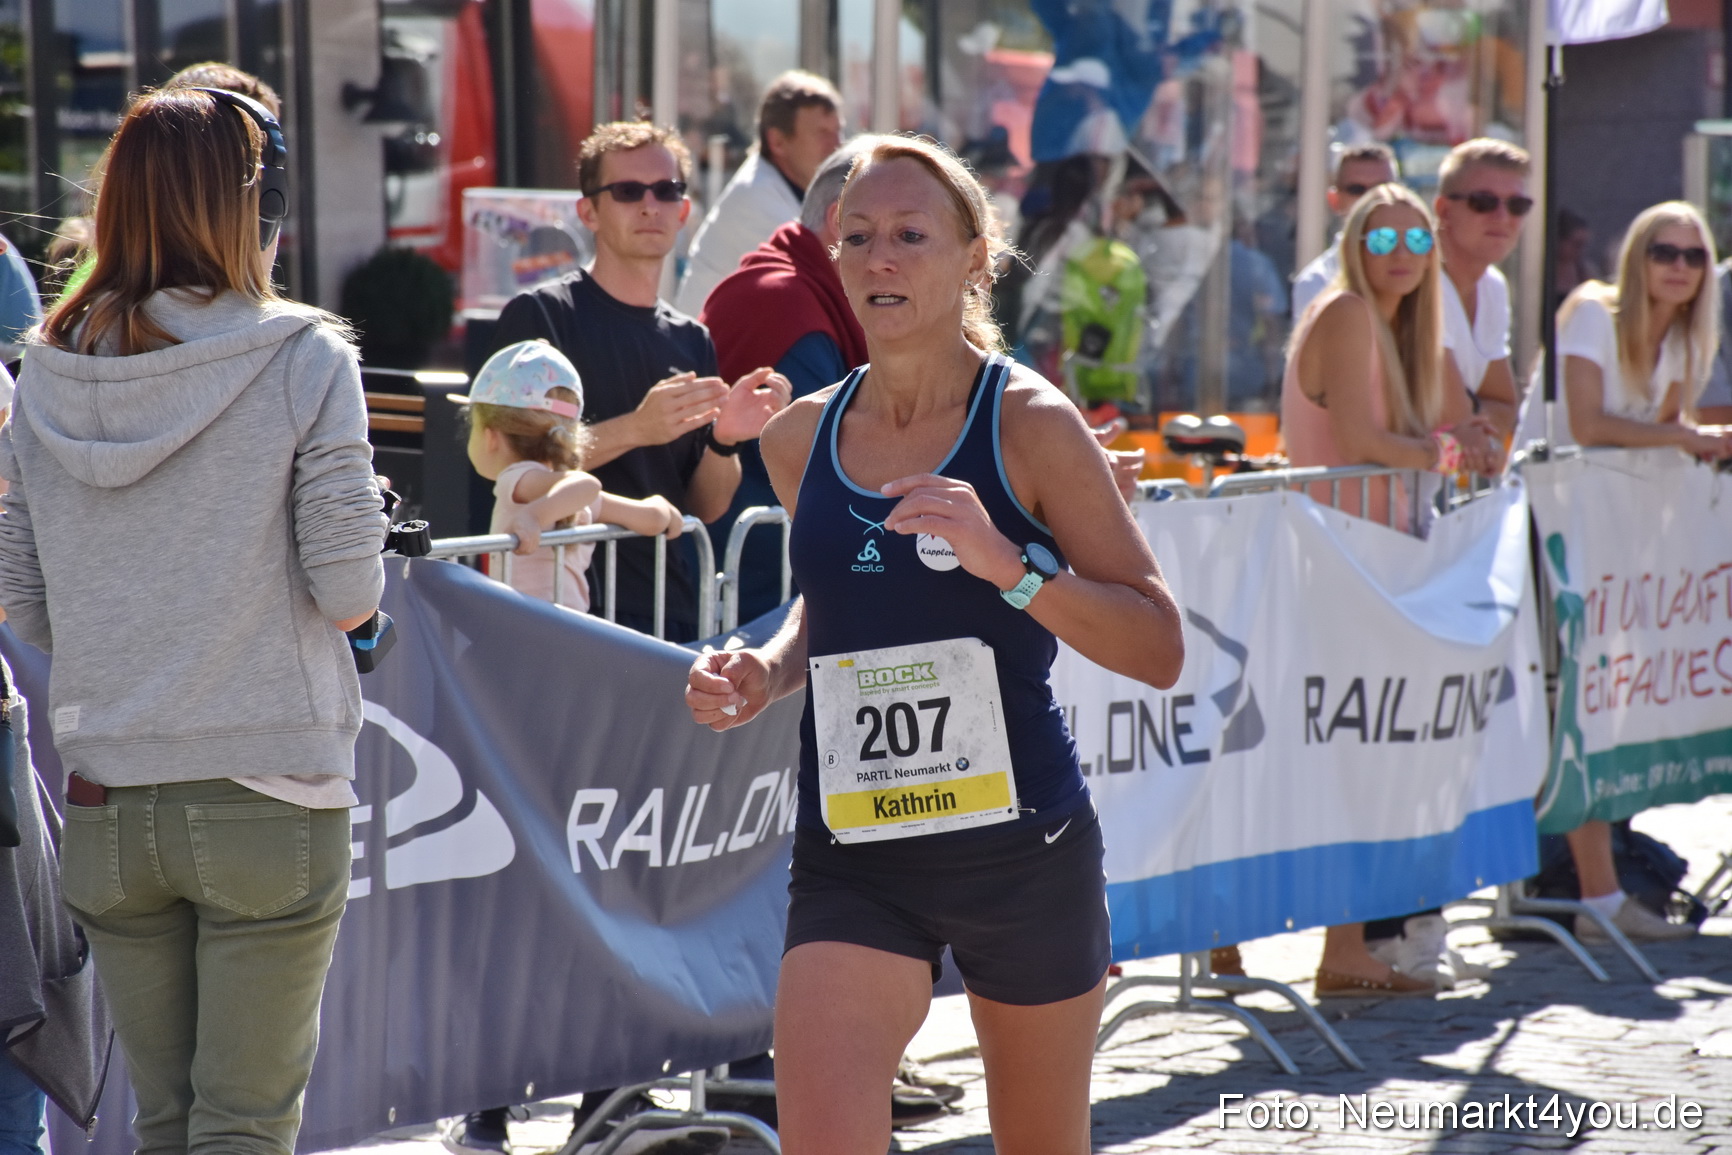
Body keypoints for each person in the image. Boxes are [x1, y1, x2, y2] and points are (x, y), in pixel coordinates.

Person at [684, 136, 1185, 1154]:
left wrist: (1012, 566)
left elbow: (1156, 643)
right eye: (858, 237)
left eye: (910, 236)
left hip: (1020, 849)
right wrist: (765, 671)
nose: (880, 259)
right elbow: (835, 606)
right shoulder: (798, 439)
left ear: (974, 259)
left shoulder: (1031, 424)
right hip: (855, 854)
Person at [0, 87, 386, 1155]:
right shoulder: (304, 355)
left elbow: (25, 605)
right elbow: (351, 584)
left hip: (113, 796)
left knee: (167, 1127)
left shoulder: (48, 369)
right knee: (245, 1130)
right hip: (269, 782)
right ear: (248, 203)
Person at [1282, 183, 1502, 995]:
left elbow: (1462, 421)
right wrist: (1452, 451)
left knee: (1372, 755)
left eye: (1417, 241)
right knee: (1352, 757)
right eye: (1382, 241)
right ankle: (1341, 951)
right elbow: (1364, 440)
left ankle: (1348, 943)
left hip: (1388, 565)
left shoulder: (1412, 330)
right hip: (1340, 563)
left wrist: (1467, 437)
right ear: (1353, 247)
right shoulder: (1343, 314)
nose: (1402, 254)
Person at [488, 120, 790, 642]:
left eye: (666, 190)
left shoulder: (692, 338)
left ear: (684, 211)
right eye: (628, 191)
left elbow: (705, 507)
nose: (650, 205)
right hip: (557, 607)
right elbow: (505, 469)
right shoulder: (541, 316)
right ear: (589, 211)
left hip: (664, 611)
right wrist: (637, 428)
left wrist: (725, 440)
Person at [1526, 202, 1732, 942]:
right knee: (1577, 707)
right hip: (1541, 533)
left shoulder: (1682, 337)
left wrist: (1693, 442)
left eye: (1695, 255)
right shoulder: (1591, 309)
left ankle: (1604, 893)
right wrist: (1687, 435)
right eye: (1665, 251)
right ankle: (1591, 894)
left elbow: (1666, 451)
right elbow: (1589, 424)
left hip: (1618, 548)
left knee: (1607, 707)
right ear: (1637, 255)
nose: (1679, 265)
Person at [702, 138, 875, 623]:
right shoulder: (783, 301)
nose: (895, 256)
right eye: (899, 230)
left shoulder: (803, 289)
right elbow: (843, 458)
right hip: (758, 597)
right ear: (841, 221)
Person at [455, 340, 687, 612]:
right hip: (571, 636)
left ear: (491, 436)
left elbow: (586, 483)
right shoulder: (569, 496)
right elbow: (652, 519)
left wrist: (534, 517)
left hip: (529, 634)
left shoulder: (517, 480)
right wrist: (661, 508)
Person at [674, 72, 844, 316]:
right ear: (777, 141)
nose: (837, 145)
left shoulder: (788, 188)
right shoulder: (755, 198)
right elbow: (830, 289)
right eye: (822, 133)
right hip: (712, 353)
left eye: (839, 131)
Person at [1432, 138, 1529, 436]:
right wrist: (1466, 421)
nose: (1502, 217)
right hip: (1378, 479)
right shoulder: (1417, 282)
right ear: (1444, 210)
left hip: (1436, 478)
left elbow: (1505, 407)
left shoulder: (1493, 286)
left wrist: (1468, 417)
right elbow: (1447, 418)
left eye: (1517, 205)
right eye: (1483, 202)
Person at [1291, 142, 1399, 322]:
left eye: (1381, 189)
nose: (1370, 199)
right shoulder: (1317, 282)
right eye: (1357, 190)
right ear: (1334, 200)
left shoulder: (1426, 268)